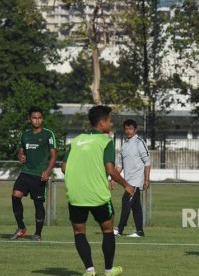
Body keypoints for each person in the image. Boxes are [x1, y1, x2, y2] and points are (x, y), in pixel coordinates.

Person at [61, 105, 135, 276]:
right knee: (108, 230)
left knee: (79, 232)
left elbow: (64, 167)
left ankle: (90, 271)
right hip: (98, 195)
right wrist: (126, 185)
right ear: (102, 123)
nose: (111, 123)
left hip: (76, 195)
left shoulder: (77, 140)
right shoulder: (105, 141)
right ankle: (109, 270)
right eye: (110, 120)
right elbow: (110, 169)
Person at [10, 107, 57, 242]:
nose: (37, 120)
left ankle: (37, 234)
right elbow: (21, 151)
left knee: (38, 204)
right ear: (29, 119)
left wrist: (47, 171)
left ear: (42, 118)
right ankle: (21, 228)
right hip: (26, 172)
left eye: (39, 117)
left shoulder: (48, 134)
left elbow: (54, 155)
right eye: (34, 118)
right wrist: (21, 156)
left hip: (39, 175)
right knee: (15, 196)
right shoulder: (25, 134)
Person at [112, 119, 151, 238]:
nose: (128, 131)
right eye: (126, 129)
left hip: (136, 180)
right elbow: (119, 165)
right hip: (128, 181)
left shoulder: (140, 143)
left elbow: (147, 162)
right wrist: (113, 179)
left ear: (135, 130)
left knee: (125, 202)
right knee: (136, 207)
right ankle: (139, 231)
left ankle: (119, 229)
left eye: (130, 129)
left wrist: (146, 180)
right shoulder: (124, 145)